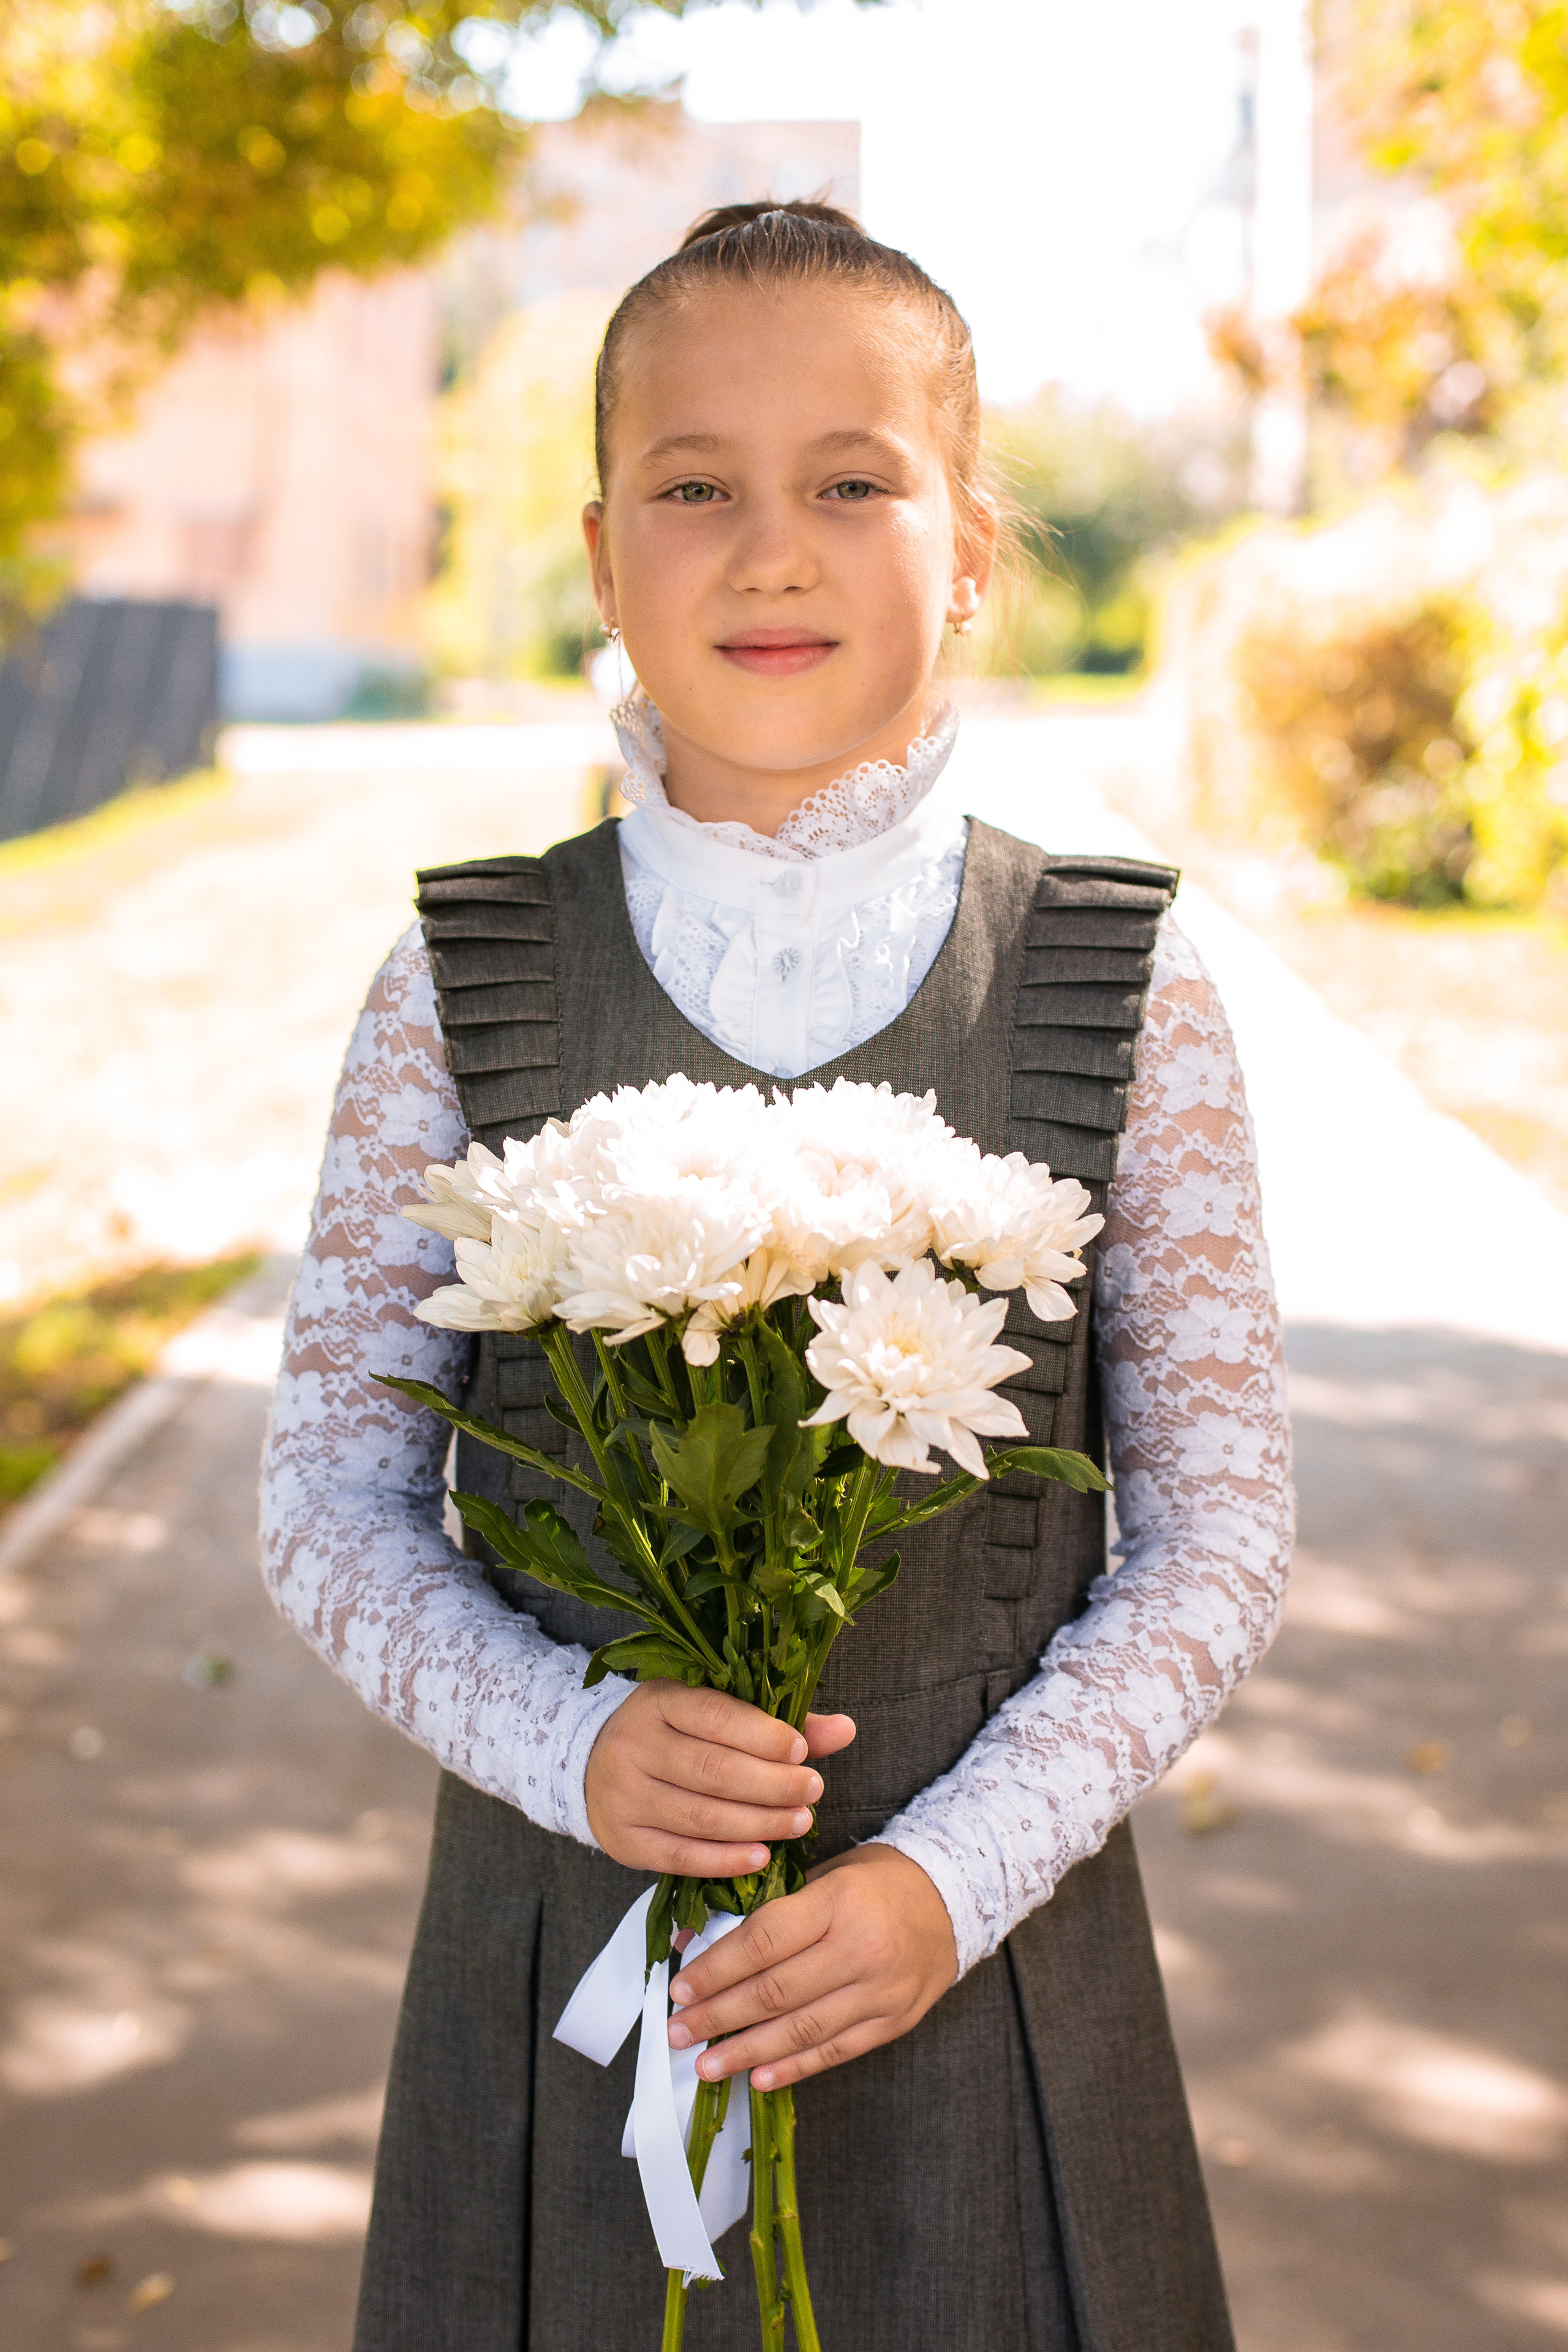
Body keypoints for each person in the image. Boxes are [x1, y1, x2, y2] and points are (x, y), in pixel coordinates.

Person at [259, 200, 1292, 2351]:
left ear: (975, 545)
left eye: (853, 481)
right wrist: (567, 1738)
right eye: (694, 488)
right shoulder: (459, 983)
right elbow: (328, 1502)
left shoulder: (1127, 977)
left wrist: (950, 1877)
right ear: (603, 546)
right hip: (569, 1969)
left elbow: (1218, 1532)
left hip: (988, 1993)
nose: (773, 549)